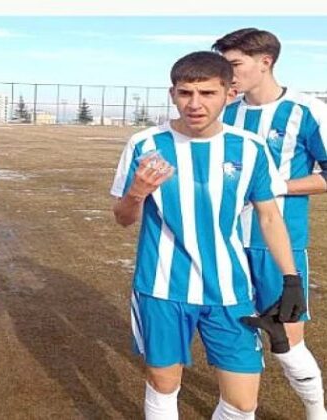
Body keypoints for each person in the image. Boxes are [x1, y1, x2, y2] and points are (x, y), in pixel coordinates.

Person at [111, 51, 303, 419]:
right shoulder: (144, 144)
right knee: (164, 387)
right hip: (162, 288)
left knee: (243, 401)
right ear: (173, 94)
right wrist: (136, 191)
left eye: (207, 93)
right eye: (186, 93)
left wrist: (290, 279)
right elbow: (122, 218)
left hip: (229, 290)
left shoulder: (249, 147)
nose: (195, 104)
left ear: (229, 93)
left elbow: (269, 218)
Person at [213, 28, 327, 419]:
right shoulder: (225, 110)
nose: (227, 74)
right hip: (225, 244)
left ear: (266, 62)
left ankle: (316, 411)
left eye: (234, 65)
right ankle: (236, 404)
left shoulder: (307, 110)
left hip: (277, 245)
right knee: (235, 333)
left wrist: (277, 185)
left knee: (288, 341)